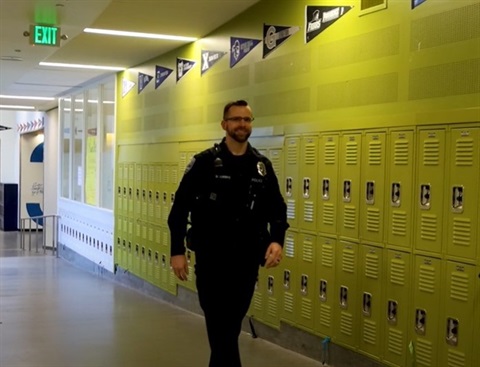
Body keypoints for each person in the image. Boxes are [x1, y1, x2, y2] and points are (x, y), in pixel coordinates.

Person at [168, 99, 289, 367]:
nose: (242, 124)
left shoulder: (261, 166)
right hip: (212, 260)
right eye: (236, 119)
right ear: (224, 125)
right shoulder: (204, 163)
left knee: (228, 329)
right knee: (220, 326)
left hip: (246, 261)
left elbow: (277, 209)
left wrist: (277, 241)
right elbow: (178, 210)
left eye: (247, 120)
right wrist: (177, 251)